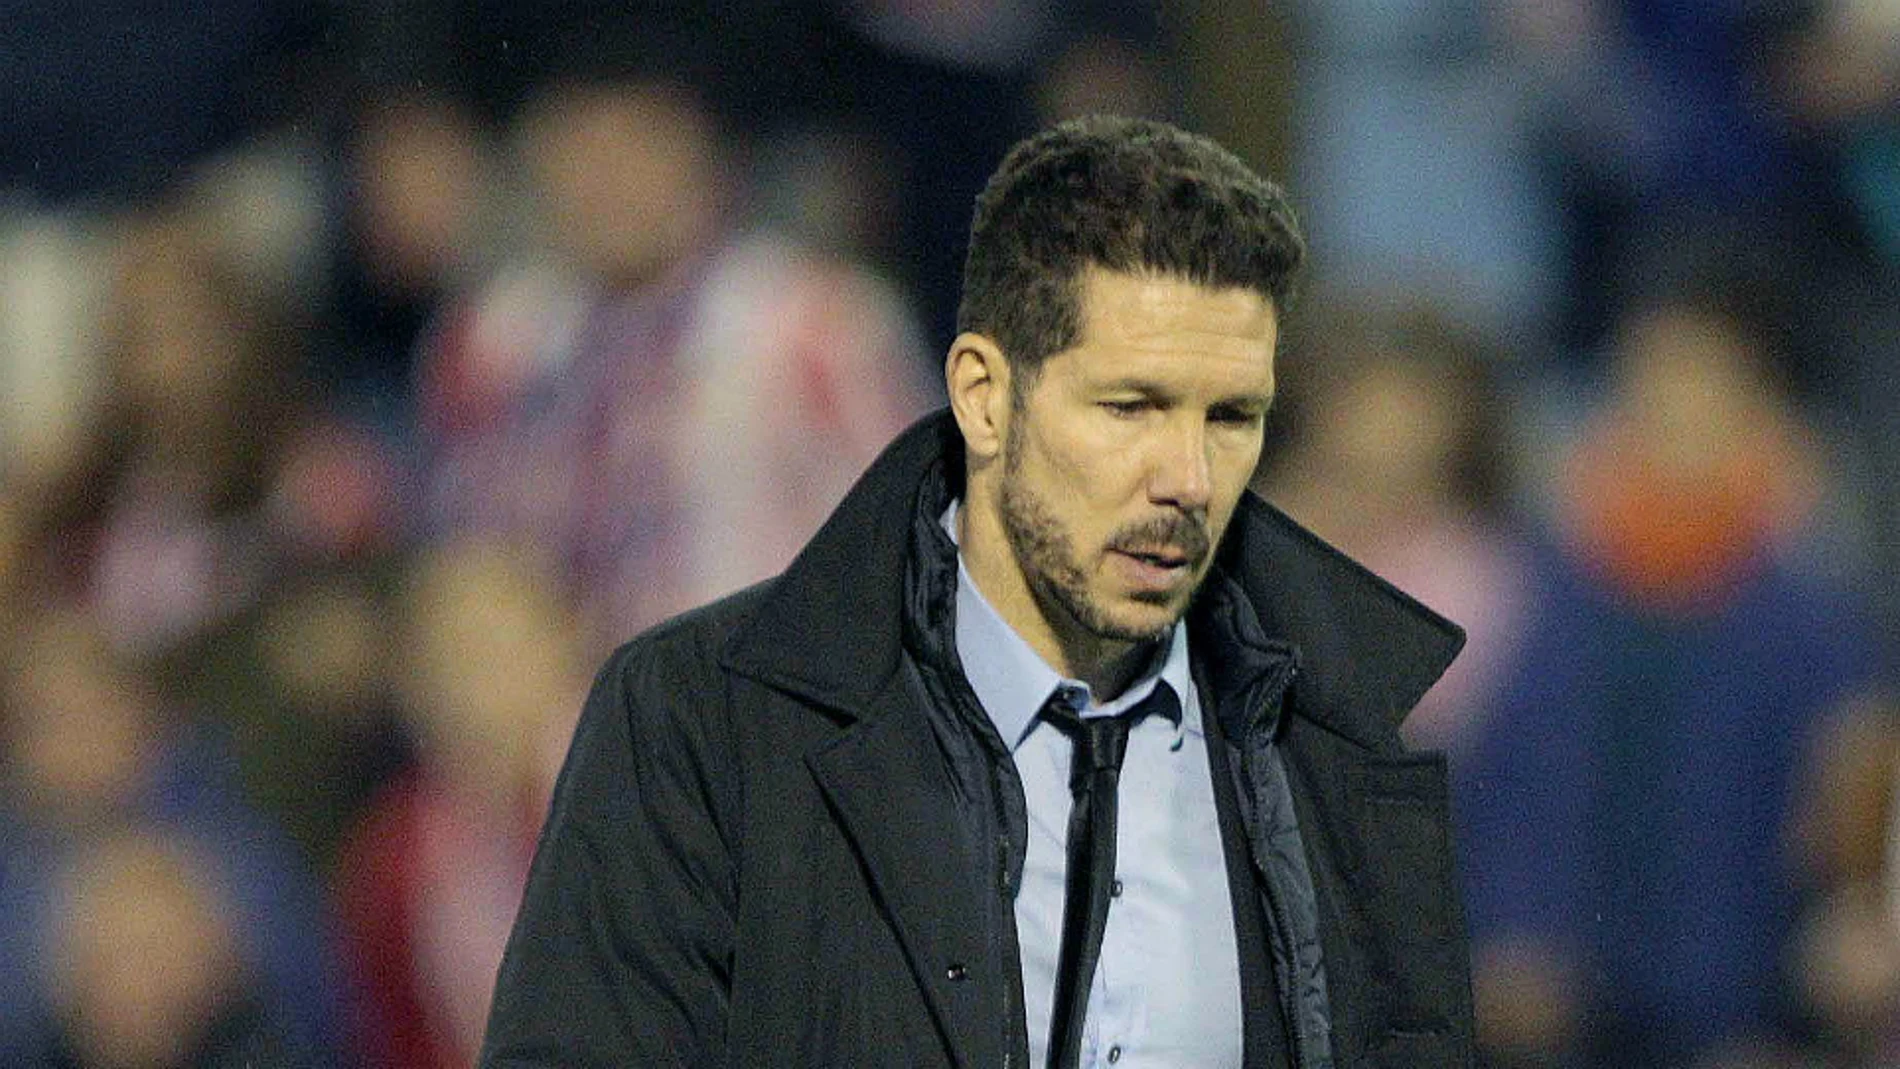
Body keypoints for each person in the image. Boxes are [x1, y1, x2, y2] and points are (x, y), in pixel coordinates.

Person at [481, 115, 1474, 1068]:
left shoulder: (1333, 752)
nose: (1189, 478)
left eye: (1231, 417)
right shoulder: (697, 723)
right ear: (984, 396)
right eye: (1130, 406)